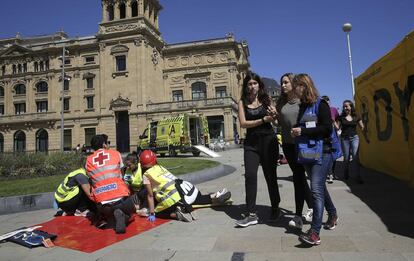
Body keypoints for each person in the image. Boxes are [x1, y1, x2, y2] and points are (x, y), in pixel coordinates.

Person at [290, 74, 338, 246]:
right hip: (307, 153)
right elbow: (304, 127)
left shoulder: (321, 104)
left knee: (316, 190)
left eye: (296, 86)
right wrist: (296, 130)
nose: (294, 90)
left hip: (323, 152)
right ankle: (332, 214)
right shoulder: (302, 106)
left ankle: (314, 232)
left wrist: (302, 132)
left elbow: (326, 129)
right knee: (320, 188)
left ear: (304, 86)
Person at [236, 71, 281, 227]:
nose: (252, 86)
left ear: (259, 85)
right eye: (249, 83)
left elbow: (275, 124)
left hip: (269, 142)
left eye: (255, 83)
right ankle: (251, 213)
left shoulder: (266, 99)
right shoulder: (242, 102)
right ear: (246, 86)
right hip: (251, 143)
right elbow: (243, 123)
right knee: (250, 176)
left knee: (270, 176)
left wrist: (274, 116)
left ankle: (275, 207)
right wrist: (263, 119)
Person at [139, 150, 231, 222]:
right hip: (188, 188)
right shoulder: (160, 167)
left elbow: (150, 196)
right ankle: (216, 195)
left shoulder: (146, 175)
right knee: (198, 199)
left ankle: (176, 214)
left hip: (175, 198)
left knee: (158, 212)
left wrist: (151, 213)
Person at [276, 73, 313, 230]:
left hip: (302, 144)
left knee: (304, 178)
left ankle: (305, 212)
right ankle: (310, 209)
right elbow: (281, 123)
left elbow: (311, 122)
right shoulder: (281, 103)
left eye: (286, 82)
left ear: (293, 83)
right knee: (299, 177)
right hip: (288, 145)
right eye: (281, 83)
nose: (283, 85)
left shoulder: (302, 101)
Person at [85, 134, 138, 234]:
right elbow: (122, 175)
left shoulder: (88, 161)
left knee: (111, 213)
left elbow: (91, 179)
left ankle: (109, 217)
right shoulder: (115, 154)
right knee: (131, 214)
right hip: (122, 200)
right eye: (107, 143)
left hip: (103, 206)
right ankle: (124, 216)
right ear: (104, 145)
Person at [337, 99, 364, 183]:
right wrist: (334, 122)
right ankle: (346, 171)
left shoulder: (356, 116)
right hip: (344, 139)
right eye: (344, 106)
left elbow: (362, 127)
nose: (345, 108)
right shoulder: (341, 117)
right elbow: (338, 128)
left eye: (347, 106)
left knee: (355, 157)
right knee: (346, 158)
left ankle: (358, 176)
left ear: (351, 107)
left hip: (354, 138)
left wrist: (364, 129)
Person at [123, 153, 155, 218]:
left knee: (146, 191)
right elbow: (127, 184)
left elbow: (148, 185)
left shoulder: (142, 169)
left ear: (135, 163)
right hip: (135, 194)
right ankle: (140, 208)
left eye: (129, 165)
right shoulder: (127, 170)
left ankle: (144, 208)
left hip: (144, 191)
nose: (128, 167)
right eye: (126, 165)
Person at [321, 95, 340, 183]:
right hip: (325, 136)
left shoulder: (334, 109)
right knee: (326, 155)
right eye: (324, 101)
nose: (327, 102)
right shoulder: (319, 110)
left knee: (335, 155)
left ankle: (332, 172)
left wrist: (337, 126)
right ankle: (329, 173)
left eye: (328, 101)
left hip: (334, 135)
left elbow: (338, 119)